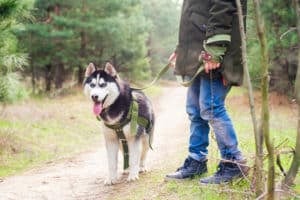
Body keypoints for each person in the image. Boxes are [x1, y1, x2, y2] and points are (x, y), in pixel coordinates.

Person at [165, 0, 248, 184]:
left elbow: (223, 7)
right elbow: (194, 14)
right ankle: (197, 160)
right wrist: (181, 49)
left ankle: (233, 163)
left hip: (214, 53)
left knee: (211, 108)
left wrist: (215, 48)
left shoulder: (215, 49)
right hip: (197, 52)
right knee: (194, 110)